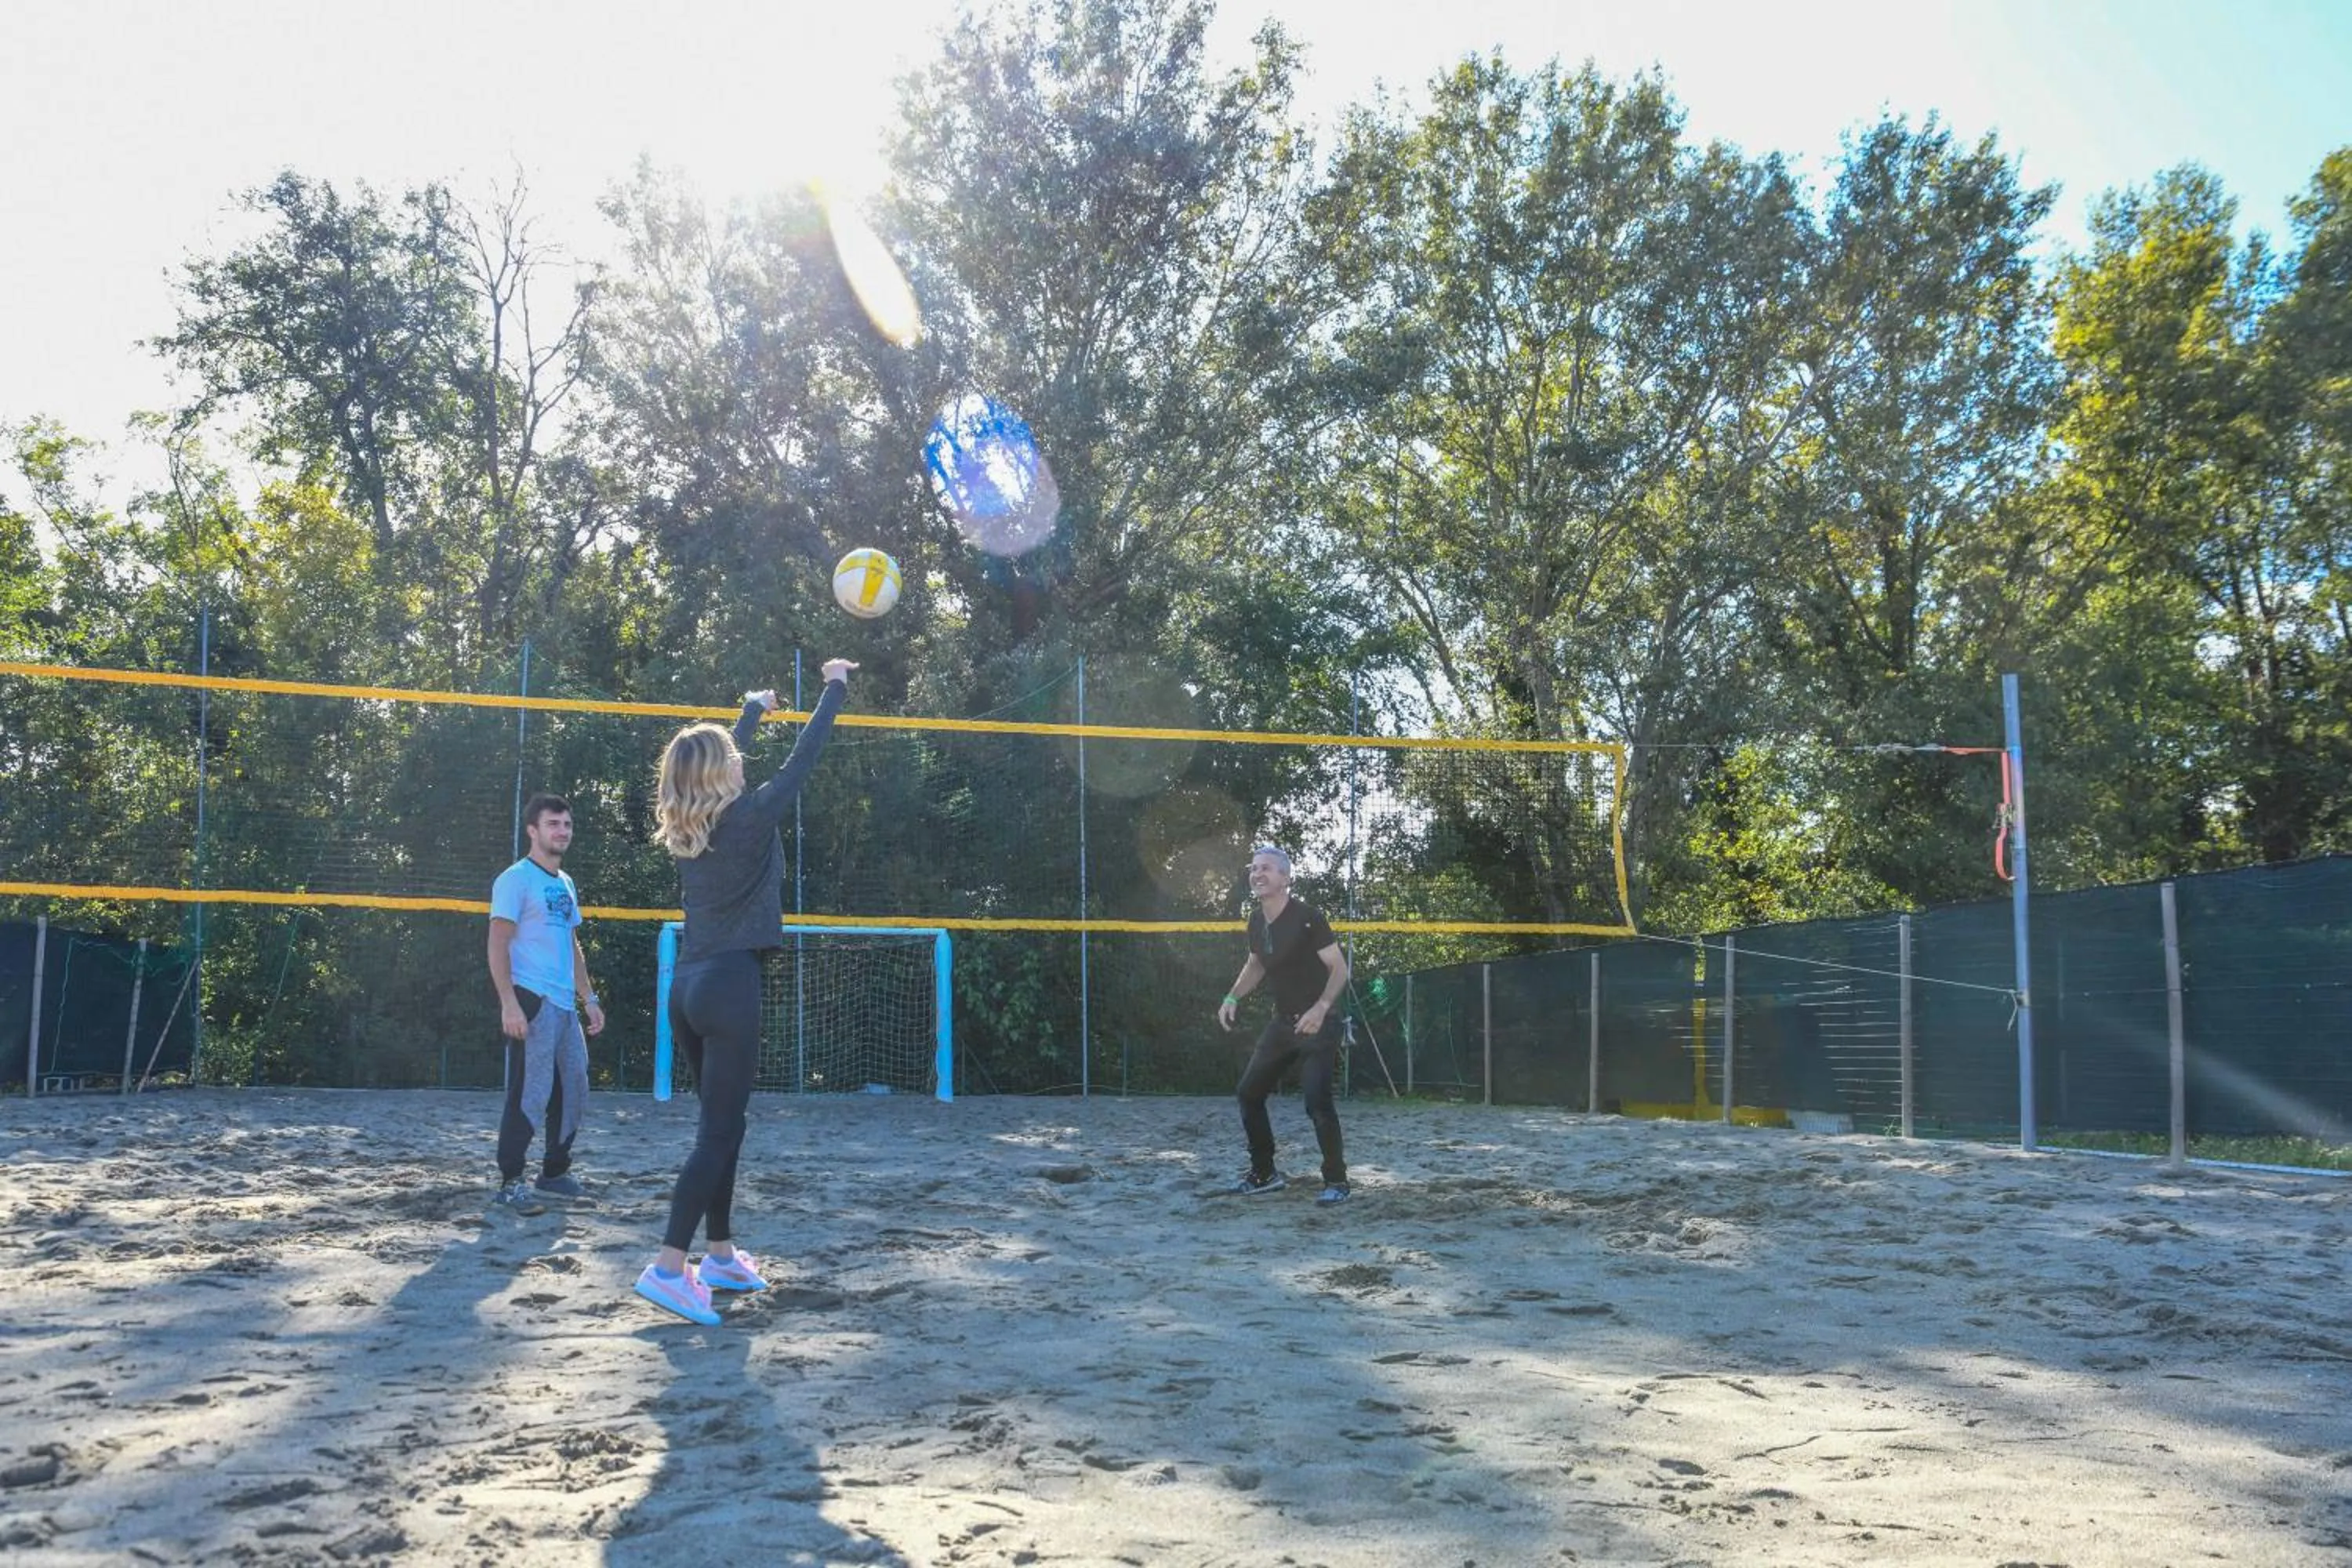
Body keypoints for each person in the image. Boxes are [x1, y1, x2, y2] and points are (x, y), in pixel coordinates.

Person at [633, 662, 856, 1327]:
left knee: (723, 1129)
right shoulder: (752, 817)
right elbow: (804, 757)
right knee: (720, 1132)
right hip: (731, 986)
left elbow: (721, 760)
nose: (741, 764)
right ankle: (670, 1268)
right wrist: (836, 685)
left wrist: (751, 709)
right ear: (722, 774)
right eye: (733, 758)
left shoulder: (688, 830)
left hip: (691, 986)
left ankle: (721, 1254)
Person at [486, 793, 605, 1210]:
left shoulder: (565, 883)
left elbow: (571, 945)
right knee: (531, 1091)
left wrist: (588, 997)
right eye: (553, 824)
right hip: (530, 998)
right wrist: (509, 1003)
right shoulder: (515, 879)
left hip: (563, 1006)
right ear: (533, 830)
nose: (562, 831)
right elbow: (497, 944)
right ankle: (511, 1181)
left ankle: (554, 1173)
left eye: (567, 825)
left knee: (574, 1087)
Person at [1218, 844, 1352, 1204]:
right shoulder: (1257, 920)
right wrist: (1232, 997)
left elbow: (1339, 969)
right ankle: (1265, 1173)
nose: (1257, 873)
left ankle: (1336, 1182)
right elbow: (1256, 964)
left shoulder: (1308, 917)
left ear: (1286, 878)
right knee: (1248, 1093)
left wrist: (1322, 1008)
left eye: (1267, 868)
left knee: (1317, 1103)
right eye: (1254, 868)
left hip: (1318, 1023)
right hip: (1283, 1025)